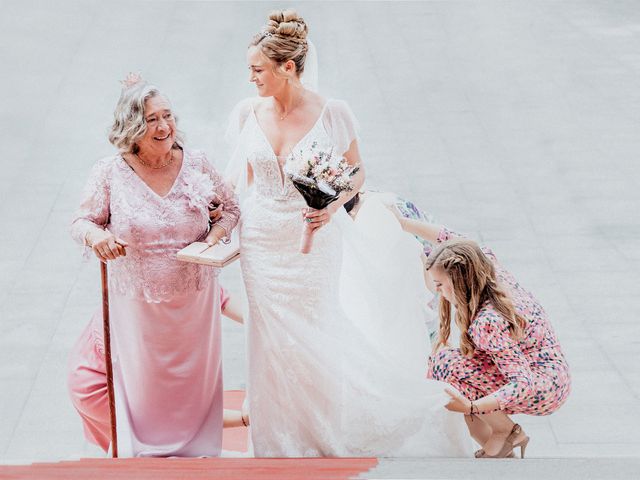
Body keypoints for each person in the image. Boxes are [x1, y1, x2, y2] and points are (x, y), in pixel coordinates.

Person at [225, 9, 471, 457]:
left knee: (315, 327)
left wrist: (332, 205)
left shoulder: (333, 114)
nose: (251, 78)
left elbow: (355, 174)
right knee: (267, 337)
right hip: (261, 242)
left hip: (315, 240)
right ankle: (274, 438)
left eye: (258, 70)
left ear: (288, 68)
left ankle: (320, 432)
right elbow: (243, 182)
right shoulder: (247, 113)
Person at [68, 75, 240, 457]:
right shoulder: (109, 173)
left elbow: (230, 209)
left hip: (194, 304)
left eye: (167, 116)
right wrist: (99, 238)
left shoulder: (196, 163)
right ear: (131, 128)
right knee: (145, 389)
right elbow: (82, 222)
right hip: (138, 307)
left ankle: (199, 453)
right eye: (151, 120)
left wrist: (212, 239)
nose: (164, 127)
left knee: (192, 386)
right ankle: (143, 457)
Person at [397, 219, 571, 458]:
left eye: (440, 284)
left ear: (460, 282)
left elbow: (523, 383)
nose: (438, 290)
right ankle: (500, 442)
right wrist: (401, 222)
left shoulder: (487, 322)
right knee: (451, 364)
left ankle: (505, 432)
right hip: (552, 373)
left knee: (446, 366)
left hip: (543, 387)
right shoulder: (486, 266)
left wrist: (471, 406)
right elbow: (449, 237)